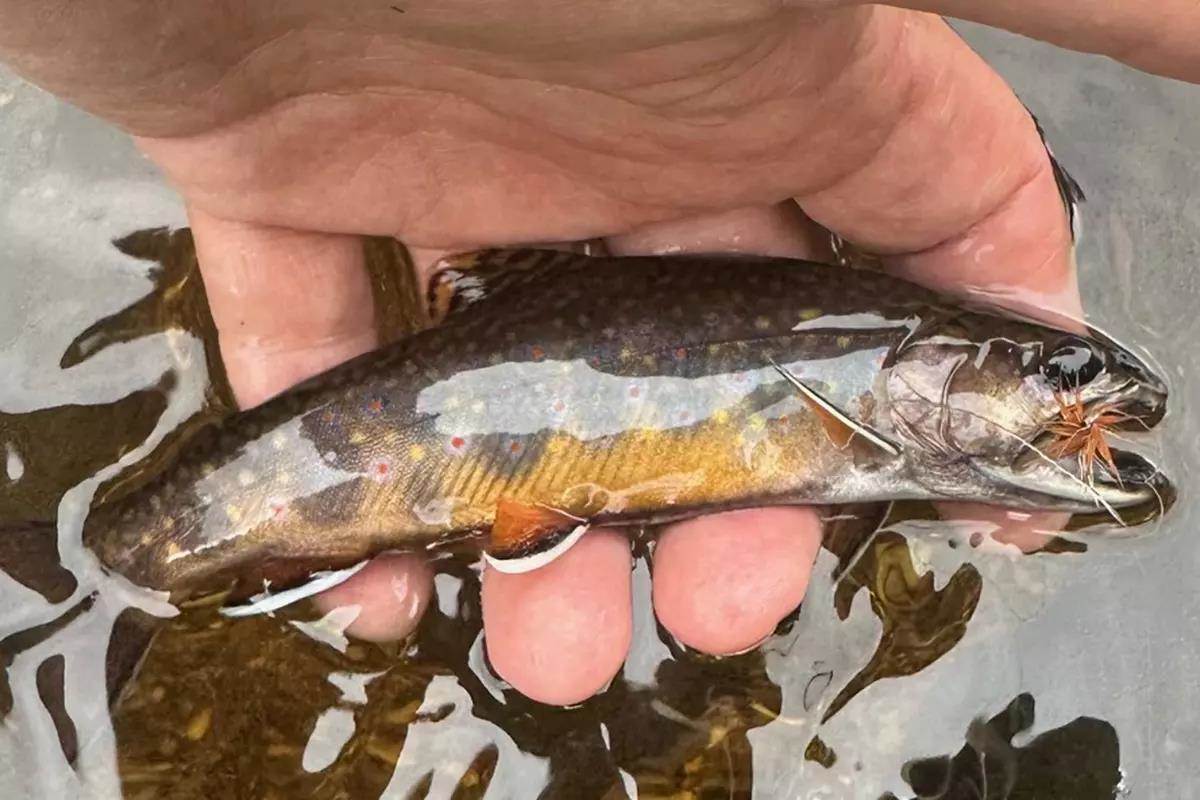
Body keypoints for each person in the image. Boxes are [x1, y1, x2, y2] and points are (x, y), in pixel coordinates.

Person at [0, 1, 1195, 707]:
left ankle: (97, 570)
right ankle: (96, 569)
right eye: (1057, 377)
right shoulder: (855, 387)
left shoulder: (872, 389)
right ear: (928, 364)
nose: (1077, 400)